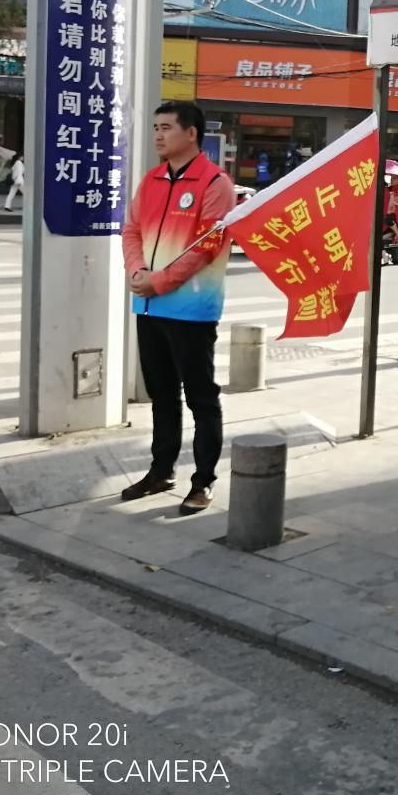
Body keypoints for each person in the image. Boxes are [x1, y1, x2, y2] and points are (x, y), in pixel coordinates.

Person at [119, 101, 237, 515]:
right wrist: (136, 270)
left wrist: (159, 280)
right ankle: (160, 470)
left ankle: (202, 481)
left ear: (191, 134)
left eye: (166, 127)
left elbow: (207, 247)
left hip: (191, 310)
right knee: (161, 396)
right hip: (149, 308)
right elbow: (131, 229)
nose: (157, 135)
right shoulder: (150, 180)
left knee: (201, 398)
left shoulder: (215, 184)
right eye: (155, 127)